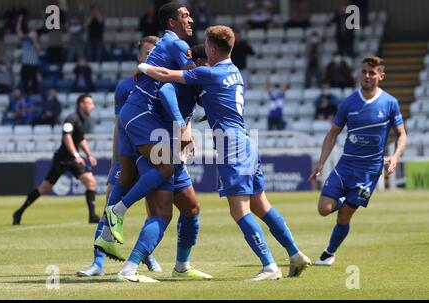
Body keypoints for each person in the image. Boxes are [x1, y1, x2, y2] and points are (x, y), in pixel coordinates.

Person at [138, 25, 311, 281]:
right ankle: (295, 254)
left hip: (231, 145)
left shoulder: (210, 74)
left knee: (240, 211)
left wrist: (143, 67)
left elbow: (164, 75)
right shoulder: (235, 72)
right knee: (262, 205)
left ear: (211, 48)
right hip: (247, 141)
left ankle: (269, 267)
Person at [104, 3, 212, 283]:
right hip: (143, 118)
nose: (190, 19)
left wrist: (147, 67)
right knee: (164, 175)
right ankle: (117, 216)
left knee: (190, 207)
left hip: (152, 125)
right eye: (185, 15)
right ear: (171, 21)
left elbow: (183, 85)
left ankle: (181, 266)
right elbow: (168, 86)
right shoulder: (177, 46)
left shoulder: (176, 53)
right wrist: (182, 126)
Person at [76, 36, 163, 277]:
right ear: (139, 57)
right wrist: (115, 160)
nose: (150, 57)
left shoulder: (165, 84)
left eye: (154, 53)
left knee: (154, 209)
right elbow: (118, 126)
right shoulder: (125, 87)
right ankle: (98, 263)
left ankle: (146, 254)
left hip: (150, 157)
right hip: (127, 157)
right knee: (109, 208)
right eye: (146, 53)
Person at [308, 56, 407, 266]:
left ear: (381, 75)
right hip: (345, 166)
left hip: (369, 172)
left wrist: (395, 156)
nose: (367, 76)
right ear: (359, 74)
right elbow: (332, 134)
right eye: (364, 72)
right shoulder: (348, 103)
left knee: (344, 216)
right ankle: (345, 200)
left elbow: (402, 134)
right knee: (324, 209)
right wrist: (321, 163)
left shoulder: (390, 103)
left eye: (372, 72)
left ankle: (328, 254)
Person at [12, 94, 100, 225]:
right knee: (44, 188)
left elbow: (81, 139)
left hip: (74, 160)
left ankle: (92, 216)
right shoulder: (71, 119)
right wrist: (77, 155)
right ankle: (19, 212)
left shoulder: (83, 120)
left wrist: (89, 155)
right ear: (81, 105)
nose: (92, 106)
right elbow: (67, 137)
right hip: (63, 159)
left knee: (91, 182)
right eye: (90, 103)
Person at [16, 15, 41, 94]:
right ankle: (26, 95)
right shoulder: (25, 38)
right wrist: (19, 21)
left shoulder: (36, 40)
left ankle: (35, 95)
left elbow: (39, 48)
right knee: (24, 82)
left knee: (34, 83)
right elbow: (18, 30)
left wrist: (34, 40)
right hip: (25, 64)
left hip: (33, 65)